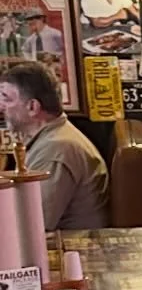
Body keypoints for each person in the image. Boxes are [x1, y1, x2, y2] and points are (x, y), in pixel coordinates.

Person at [0, 60, 108, 229]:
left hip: (70, 251)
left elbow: (31, 226)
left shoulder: (57, 149)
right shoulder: (54, 139)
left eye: (6, 98)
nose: (1, 107)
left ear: (32, 107)